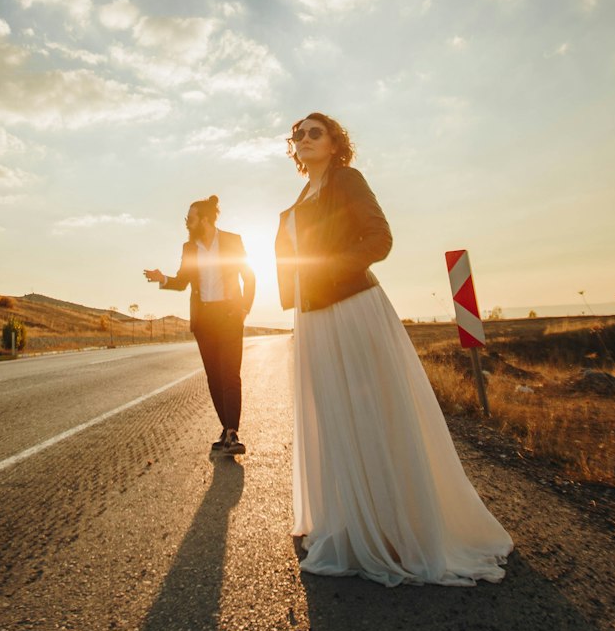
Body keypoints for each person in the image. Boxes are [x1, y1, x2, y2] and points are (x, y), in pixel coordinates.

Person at [275, 112, 512, 586]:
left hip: (352, 308)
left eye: (314, 132)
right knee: (335, 415)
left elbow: (379, 238)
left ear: (335, 142)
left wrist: (330, 272)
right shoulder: (300, 198)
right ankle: (348, 519)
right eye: (297, 133)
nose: (303, 138)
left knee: (372, 413)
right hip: (313, 317)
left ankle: (393, 529)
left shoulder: (347, 179)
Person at [145, 195, 256, 458]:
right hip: (204, 319)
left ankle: (232, 432)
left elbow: (248, 276)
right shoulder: (190, 248)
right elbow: (183, 281)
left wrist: (243, 309)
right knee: (214, 377)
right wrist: (163, 279)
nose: (187, 222)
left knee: (230, 374)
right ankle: (225, 430)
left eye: (191, 218)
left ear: (205, 220)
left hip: (229, 315)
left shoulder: (231, 240)